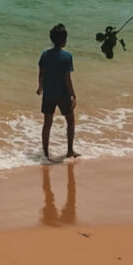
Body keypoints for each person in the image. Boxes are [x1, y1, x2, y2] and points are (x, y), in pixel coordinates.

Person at [37, 22, 78, 161]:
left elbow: (41, 73)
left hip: (48, 94)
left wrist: (40, 87)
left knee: (47, 124)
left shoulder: (45, 55)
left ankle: (46, 153)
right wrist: (73, 95)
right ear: (64, 40)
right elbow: (67, 79)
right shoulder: (67, 57)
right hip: (63, 95)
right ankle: (70, 151)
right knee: (70, 121)